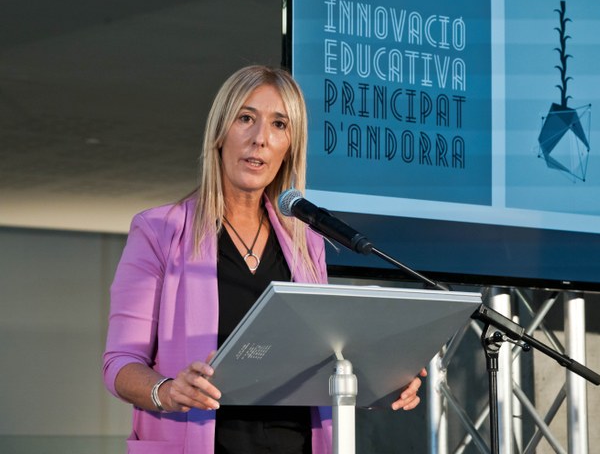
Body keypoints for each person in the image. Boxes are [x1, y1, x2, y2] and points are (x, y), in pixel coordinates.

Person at [102, 65, 426, 454]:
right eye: (245, 118)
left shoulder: (306, 242)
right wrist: (167, 391)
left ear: (290, 145)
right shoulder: (159, 231)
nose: (260, 139)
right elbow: (120, 364)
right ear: (220, 132)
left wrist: (379, 381)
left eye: (279, 125)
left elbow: (319, 364)